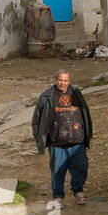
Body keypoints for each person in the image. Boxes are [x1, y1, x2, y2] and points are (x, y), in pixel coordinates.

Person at [31, 69, 94, 204]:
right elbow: (36, 119)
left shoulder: (76, 93)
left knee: (81, 168)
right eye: (60, 80)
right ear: (56, 80)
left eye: (65, 80)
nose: (62, 83)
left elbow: (86, 114)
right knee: (57, 171)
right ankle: (58, 196)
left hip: (77, 140)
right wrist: (38, 136)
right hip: (56, 142)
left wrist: (88, 133)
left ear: (69, 81)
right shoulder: (46, 96)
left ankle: (78, 191)